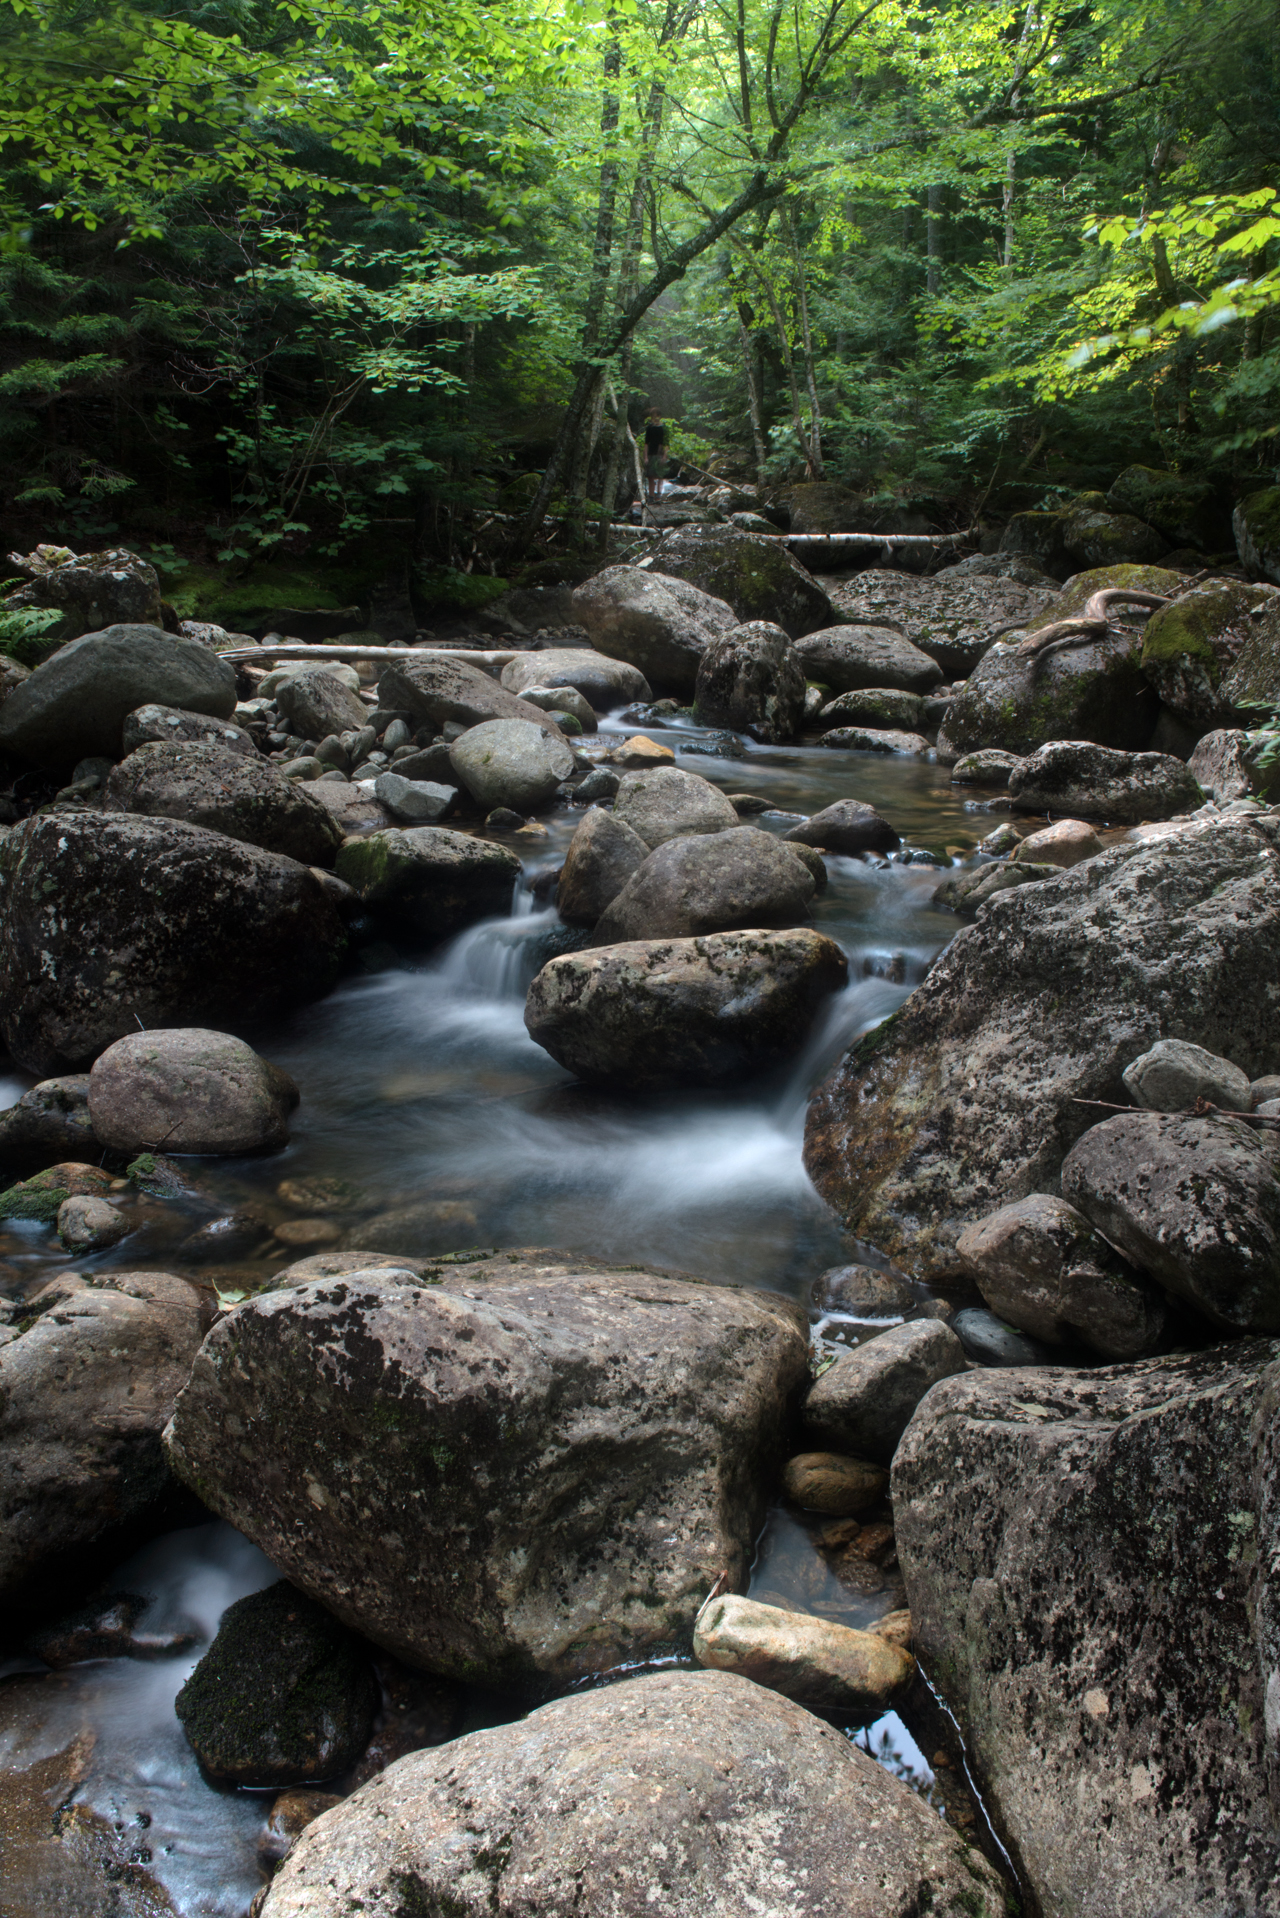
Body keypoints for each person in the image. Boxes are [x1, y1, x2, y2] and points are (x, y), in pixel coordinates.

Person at [643, 405, 669, 502]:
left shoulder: (663, 428)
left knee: (660, 475)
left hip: (660, 453)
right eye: (652, 416)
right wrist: (645, 457)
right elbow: (646, 443)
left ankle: (658, 495)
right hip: (651, 453)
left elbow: (666, 443)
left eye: (655, 415)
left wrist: (664, 456)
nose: (654, 418)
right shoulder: (649, 428)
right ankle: (651, 496)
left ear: (659, 416)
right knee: (650, 476)